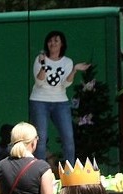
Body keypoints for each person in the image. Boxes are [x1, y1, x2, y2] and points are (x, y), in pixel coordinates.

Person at [29, 31, 89, 165]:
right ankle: (40, 173)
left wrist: (74, 70)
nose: (52, 43)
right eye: (50, 41)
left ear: (62, 44)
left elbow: (65, 84)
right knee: (41, 138)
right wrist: (44, 64)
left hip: (60, 102)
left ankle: (70, 172)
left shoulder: (67, 62)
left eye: (56, 41)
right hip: (39, 100)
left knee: (68, 137)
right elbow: (39, 82)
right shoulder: (40, 59)